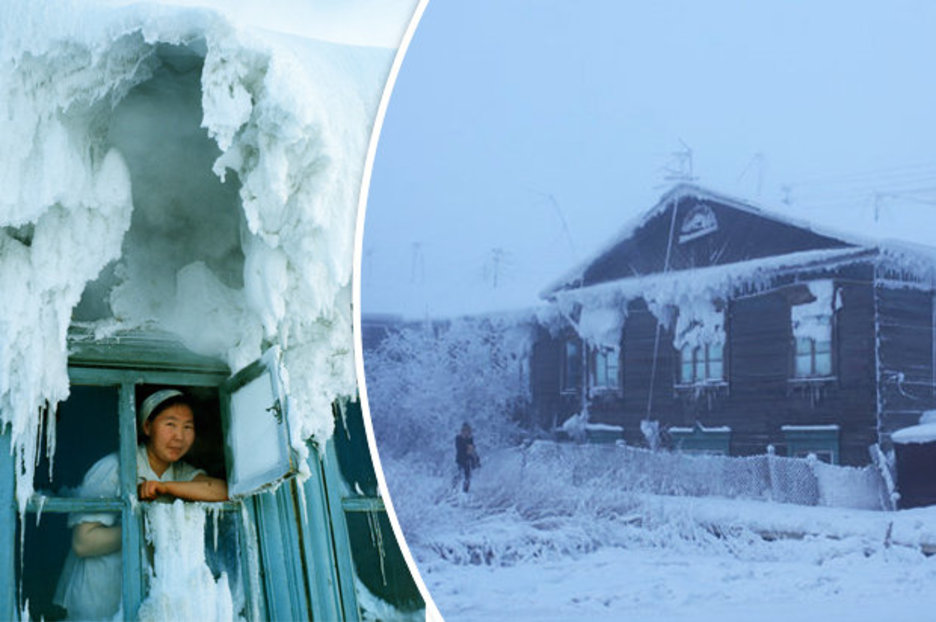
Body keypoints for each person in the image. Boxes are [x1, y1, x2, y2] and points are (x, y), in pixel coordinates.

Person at [53, 389, 229, 621]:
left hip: (140, 596)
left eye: (188, 427)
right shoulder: (114, 468)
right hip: (96, 596)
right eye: (170, 424)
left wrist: (165, 488)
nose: (179, 436)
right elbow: (83, 543)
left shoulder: (180, 473)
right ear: (147, 427)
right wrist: (146, 527)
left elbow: (222, 491)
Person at [455, 422, 480, 492]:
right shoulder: (458, 438)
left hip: (468, 459)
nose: (467, 433)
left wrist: (476, 459)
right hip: (461, 459)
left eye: (468, 431)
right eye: (465, 431)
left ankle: (465, 490)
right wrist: (468, 447)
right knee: (459, 474)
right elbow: (460, 448)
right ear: (462, 431)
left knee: (467, 475)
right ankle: (454, 487)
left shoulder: (470, 439)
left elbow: (472, 450)